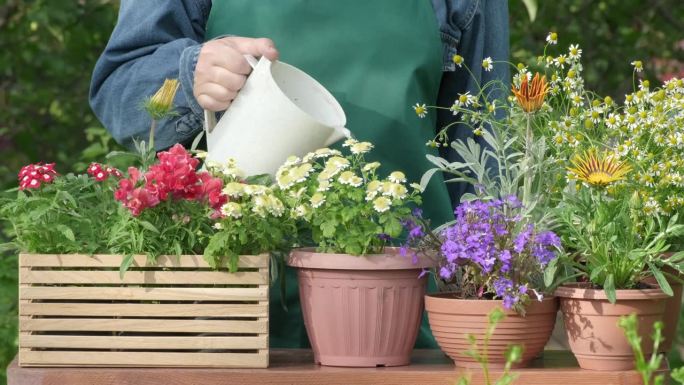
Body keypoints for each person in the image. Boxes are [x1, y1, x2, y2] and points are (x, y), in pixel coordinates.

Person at [90, 0, 510, 348]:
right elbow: (119, 91)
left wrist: (484, 316)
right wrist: (190, 74)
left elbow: (483, 155)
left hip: (403, 318)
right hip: (230, 311)